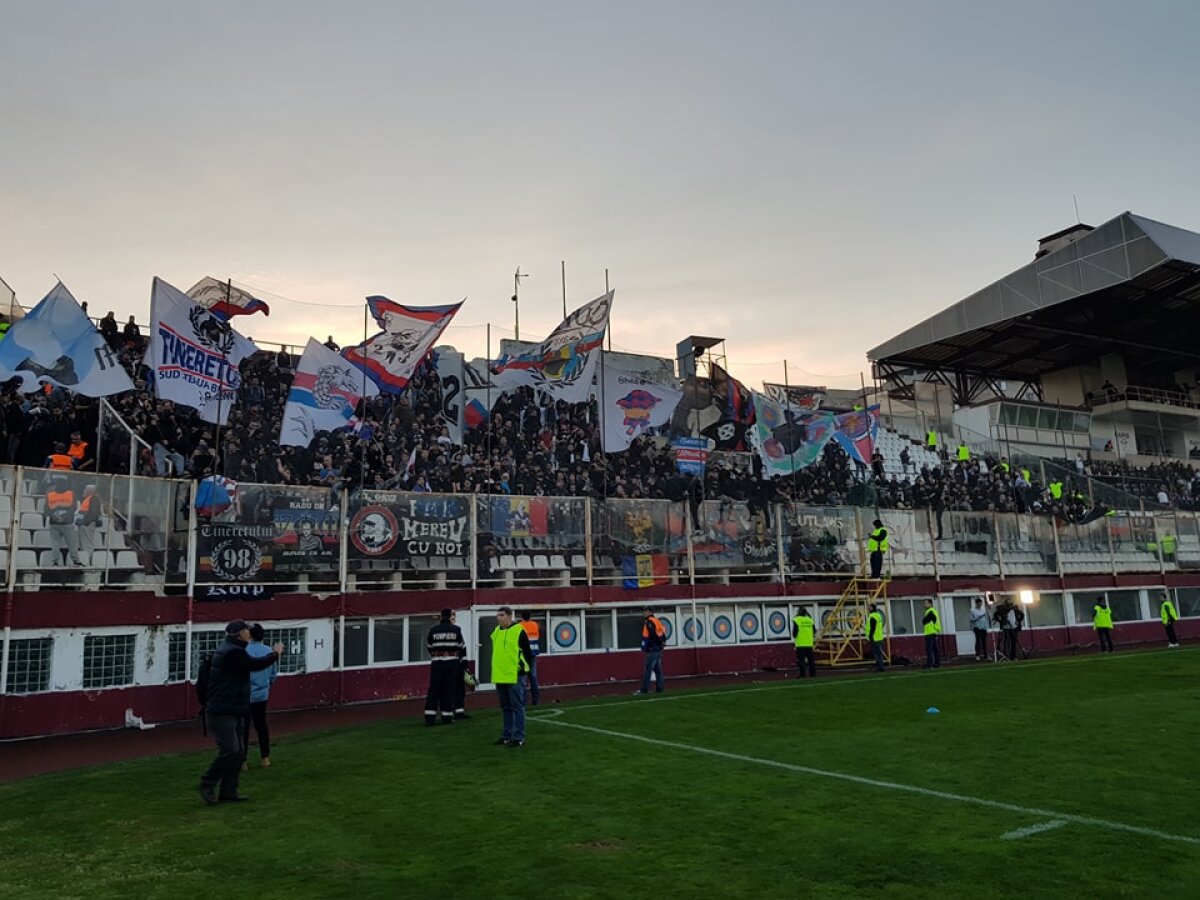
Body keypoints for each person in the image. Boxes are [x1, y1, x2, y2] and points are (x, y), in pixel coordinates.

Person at [199, 620, 283, 804]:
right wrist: (275, 654)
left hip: (233, 708)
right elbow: (255, 665)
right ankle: (207, 783)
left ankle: (229, 790)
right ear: (239, 634)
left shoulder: (230, 649)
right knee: (231, 750)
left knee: (238, 752)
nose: (249, 634)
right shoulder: (233, 653)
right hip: (223, 710)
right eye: (247, 631)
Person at [490, 606, 532, 747]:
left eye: (501, 615)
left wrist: (523, 669)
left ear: (509, 616)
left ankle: (519, 737)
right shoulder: (496, 631)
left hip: (514, 675)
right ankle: (506, 735)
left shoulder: (519, 631)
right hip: (500, 675)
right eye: (498, 615)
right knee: (505, 707)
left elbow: (527, 652)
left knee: (517, 706)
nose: (498, 618)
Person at [241, 624, 278, 769]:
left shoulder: (244, 651)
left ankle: (243, 761)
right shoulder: (269, 651)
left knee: (243, 728)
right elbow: (273, 674)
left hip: (245, 695)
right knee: (261, 726)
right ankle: (265, 757)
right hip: (262, 695)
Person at [425, 608, 467, 725]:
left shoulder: (433, 630)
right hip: (452, 663)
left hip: (437, 662)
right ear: (449, 617)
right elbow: (462, 647)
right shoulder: (456, 629)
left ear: (441, 616)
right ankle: (447, 716)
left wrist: (435, 654)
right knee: (448, 689)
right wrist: (463, 661)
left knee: (434, 689)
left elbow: (428, 645)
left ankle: (430, 716)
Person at [46, 475, 84, 566]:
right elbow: (73, 508)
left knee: (57, 544)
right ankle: (75, 561)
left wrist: (56, 517)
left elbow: (46, 510)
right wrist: (64, 517)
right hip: (64, 522)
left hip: (57, 522)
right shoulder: (70, 494)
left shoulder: (50, 495)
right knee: (71, 543)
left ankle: (56, 562)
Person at [637, 606, 666, 694]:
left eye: (645, 611)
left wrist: (653, 645)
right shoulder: (657, 621)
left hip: (653, 649)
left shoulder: (650, 622)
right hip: (657, 649)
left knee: (648, 669)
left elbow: (653, 635)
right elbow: (662, 634)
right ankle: (660, 688)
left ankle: (644, 689)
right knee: (657, 670)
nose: (643, 613)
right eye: (643, 611)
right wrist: (662, 644)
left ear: (650, 612)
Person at [450, 610, 471, 719]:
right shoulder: (449, 632)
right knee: (451, 689)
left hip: (458, 665)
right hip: (449, 665)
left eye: (454, 616)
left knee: (460, 689)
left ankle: (459, 711)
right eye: (451, 616)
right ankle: (451, 711)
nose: (453, 618)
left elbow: (463, 648)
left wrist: (464, 664)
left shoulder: (457, 631)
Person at [519, 610, 541, 705]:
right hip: (533, 652)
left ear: (522, 617)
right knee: (533, 677)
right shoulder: (535, 624)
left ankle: (523, 700)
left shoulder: (520, 626)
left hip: (524, 653)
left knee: (522, 677)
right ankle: (536, 700)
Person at [792, 606, 816, 678]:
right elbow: (814, 631)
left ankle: (802, 675)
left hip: (800, 644)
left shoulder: (797, 620)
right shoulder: (810, 620)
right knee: (811, 661)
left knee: (801, 661)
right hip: (809, 643)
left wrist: (795, 636)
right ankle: (813, 674)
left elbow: (795, 632)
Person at [865, 602, 886, 672]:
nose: (868, 608)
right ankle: (879, 665)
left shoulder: (873, 616)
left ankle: (880, 667)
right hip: (878, 637)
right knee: (877, 652)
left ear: (872, 608)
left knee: (877, 653)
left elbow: (872, 628)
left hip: (875, 637)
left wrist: (870, 637)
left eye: (869, 607)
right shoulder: (877, 615)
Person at [922, 599, 941, 669]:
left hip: (930, 632)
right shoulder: (933, 611)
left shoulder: (930, 611)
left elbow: (924, 621)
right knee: (935, 649)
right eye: (924, 603)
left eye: (926, 603)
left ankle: (929, 664)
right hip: (934, 632)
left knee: (929, 649)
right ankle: (936, 663)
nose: (925, 605)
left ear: (930, 604)